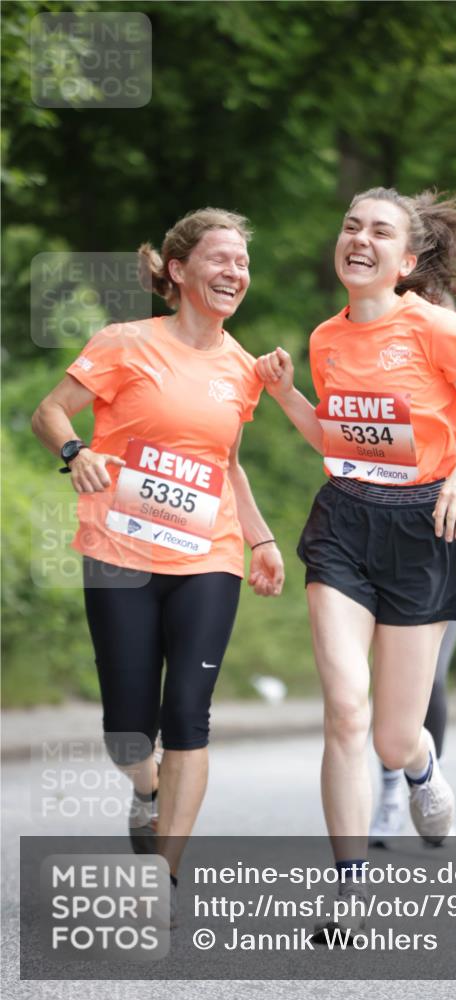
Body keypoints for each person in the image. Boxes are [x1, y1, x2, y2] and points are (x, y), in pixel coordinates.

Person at [256, 186, 456, 934]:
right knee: (344, 710)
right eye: (349, 225)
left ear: (404, 261)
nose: (358, 238)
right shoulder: (324, 339)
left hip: (424, 530)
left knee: (390, 735)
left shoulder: (435, 329)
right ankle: (348, 891)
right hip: (343, 525)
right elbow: (337, 444)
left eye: (379, 231)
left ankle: (420, 766)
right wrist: (284, 395)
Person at [32, 207, 284, 924]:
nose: (234, 271)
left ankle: (161, 880)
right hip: (121, 553)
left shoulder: (242, 368)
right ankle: (144, 790)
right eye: (219, 258)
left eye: (241, 261)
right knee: (129, 729)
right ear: (177, 270)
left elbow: (226, 465)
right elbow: (50, 412)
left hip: (209, 554)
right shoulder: (123, 343)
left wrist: (261, 540)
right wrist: (75, 453)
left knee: (187, 716)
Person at [369, 324, 456, 845]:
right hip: (382, 550)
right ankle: (389, 795)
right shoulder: (393, 386)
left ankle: (427, 783)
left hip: (447, 555)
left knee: (425, 682)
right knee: (385, 682)